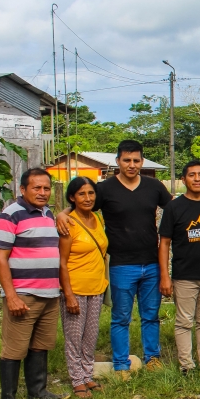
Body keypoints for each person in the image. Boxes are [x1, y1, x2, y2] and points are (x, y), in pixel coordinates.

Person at [57, 140, 172, 379]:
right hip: (120, 264)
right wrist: (62, 212)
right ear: (118, 161)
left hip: (151, 262)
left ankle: (152, 358)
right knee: (121, 317)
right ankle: (121, 364)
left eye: (136, 160)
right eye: (127, 160)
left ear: (142, 161)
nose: (132, 165)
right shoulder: (105, 189)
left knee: (151, 315)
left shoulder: (154, 186)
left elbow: (176, 208)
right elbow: (82, 205)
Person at [0, 168, 67, 399]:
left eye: (46, 188)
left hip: (49, 293)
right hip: (24, 293)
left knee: (40, 345)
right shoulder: (9, 216)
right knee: (14, 349)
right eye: (36, 188)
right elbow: (0, 259)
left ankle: (37, 391)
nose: (42, 193)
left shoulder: (48, 214)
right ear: (22, 189)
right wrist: (11, 295)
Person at [158, 160, 200, 378]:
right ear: (183, 179)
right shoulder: (174, 207)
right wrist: (165, 276)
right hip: (185, 275)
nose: (197, 179)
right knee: (184, 321)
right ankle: (186, 366)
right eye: (192, 175)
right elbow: (165, 243)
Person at [58, 177, 109, 399]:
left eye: (90, 193)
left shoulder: (97, 218)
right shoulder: (67, 222)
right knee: (74, 337)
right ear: (72, 197)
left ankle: (88, 375)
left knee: (90, 336)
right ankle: (77, 380)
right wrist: (68, 294)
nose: (87, 198)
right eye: (81, 194)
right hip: (75, 288)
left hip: (96, 287)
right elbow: (62, 262)